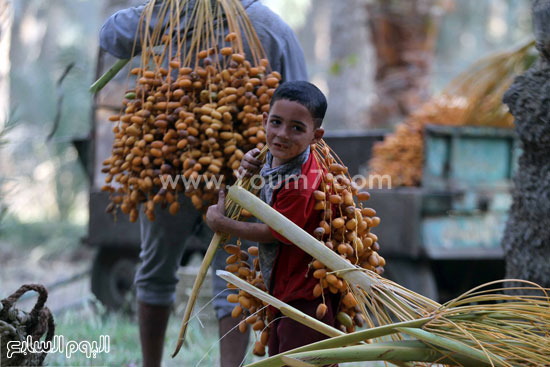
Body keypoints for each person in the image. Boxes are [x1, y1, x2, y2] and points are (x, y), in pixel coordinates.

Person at [98, 1, 307, 367]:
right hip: (234, 167)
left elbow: (110, 35)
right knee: (233, 275)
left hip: (173, 165)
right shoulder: (272, 28)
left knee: (156, 269)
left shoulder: (172, 14)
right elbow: (303, 101)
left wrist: (160, 12)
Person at [206, 81, 340, 355]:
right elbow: (267, 184)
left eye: (296, 128)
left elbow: (279, 231)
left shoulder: (301, 182)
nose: (282, 134)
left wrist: (224, 225)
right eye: (276, 123)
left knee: (298, 358)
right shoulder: (278, 156)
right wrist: (251, 169)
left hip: (306, 291)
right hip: (284, 287)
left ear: (316, 136)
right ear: (265, 120)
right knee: (280, 354)